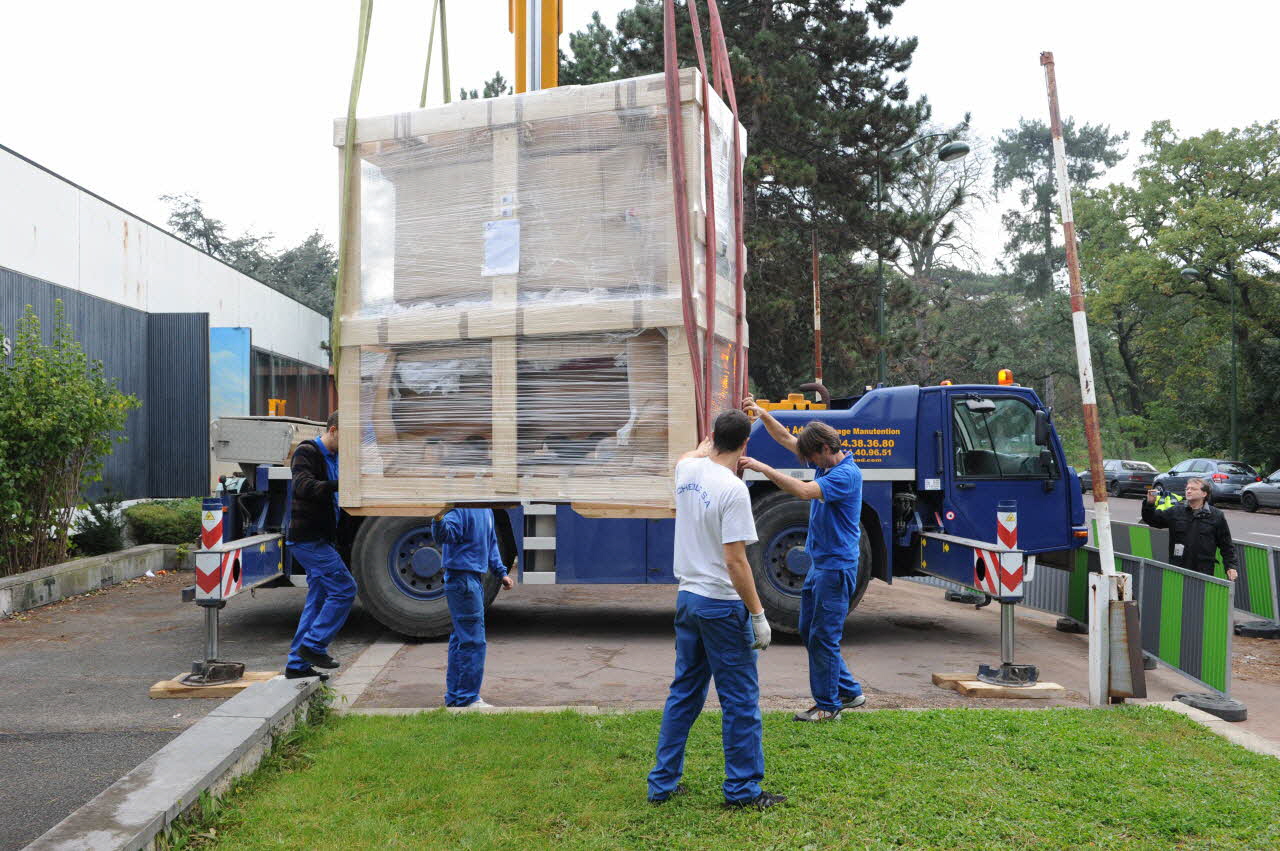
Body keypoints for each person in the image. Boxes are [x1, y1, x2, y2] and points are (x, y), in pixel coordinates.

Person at [647, 410, 784, 810]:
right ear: (746, 446)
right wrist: (758, 615)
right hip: (721, 606)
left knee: (684, 694)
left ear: (711, 438)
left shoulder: (688, 471)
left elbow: (686, 456)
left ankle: (663, 783)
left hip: (688, 599)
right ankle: (742, 791)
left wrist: (705, 446)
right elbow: (735, 562)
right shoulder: (732, 489)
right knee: (740, 701)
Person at [740, 396, 866, 723]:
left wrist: (762, 468)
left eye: (810, 455)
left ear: (825, 447)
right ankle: (850, 691)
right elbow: (786, 438)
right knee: (808, 630)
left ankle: (827, 706)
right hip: (819, 565)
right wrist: (763, 414)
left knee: (823, 637)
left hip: (835, 569)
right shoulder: (826, 461)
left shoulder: (845, 475)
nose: (807, 459)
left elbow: (805, 492)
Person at [285, 412, 357, 680]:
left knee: (317, 600)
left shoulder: (337, 458)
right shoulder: (307, 451)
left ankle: (297, 665)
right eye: (347, 438)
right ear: (334, 430)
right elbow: (303, 486)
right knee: (345, 589)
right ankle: (314, 646)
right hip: (307, 539)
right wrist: (340, 485)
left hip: (321, 539)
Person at [432, 508, 515, 708]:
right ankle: (467, 699)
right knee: (473, 641)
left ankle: (456, 697)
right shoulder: (461, 508)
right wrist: (438, 516)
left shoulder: (486, 509)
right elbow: (443, 535)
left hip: (471, 580)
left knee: (461, 639)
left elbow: (491, 543)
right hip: (463, 580)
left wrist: (501, 573)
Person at [1142, 477, 1238, 580]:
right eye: (1187, 488)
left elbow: (1226, 545)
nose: (1189, 491)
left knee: (1200, 595)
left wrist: (1231, 566)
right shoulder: (1176, 511)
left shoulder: (1216, 515)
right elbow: (1152, 520)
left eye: (1193, 489)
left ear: (1204, 494)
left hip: (1203, 571)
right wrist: (1149, 504)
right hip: (1178, 568)